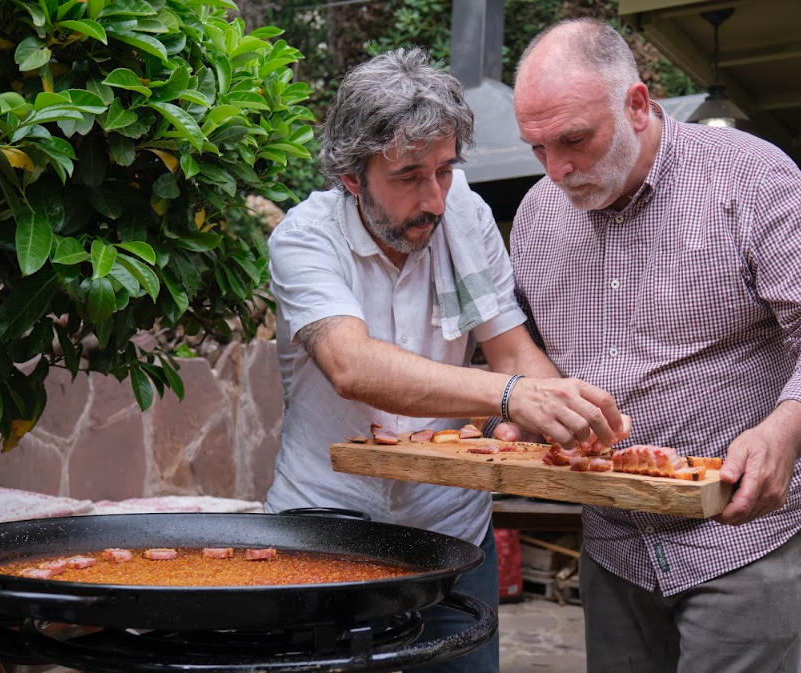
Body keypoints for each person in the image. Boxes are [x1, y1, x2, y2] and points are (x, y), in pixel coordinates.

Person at [500, 18, 801, 673]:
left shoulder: (751, 177)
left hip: (745, 532)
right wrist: (519, 416)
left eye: (573, 140)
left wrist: (787, 431)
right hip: (615, 535)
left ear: (637, 104)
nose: (556, 170)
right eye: (536, 147)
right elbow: (534, 364)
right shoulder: (537, 217)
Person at [265, 47, 628, 672]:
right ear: (352, 177)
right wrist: (510, 395)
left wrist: (572, 413)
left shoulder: (465, 214)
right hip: (327, 531)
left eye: (445, 169)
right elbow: (353, 367)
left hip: (452, 536)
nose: (434, 198)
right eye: (408, 176)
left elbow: (511, 348)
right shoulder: (304, 238)